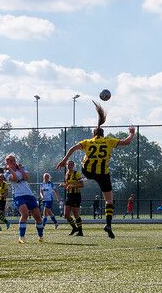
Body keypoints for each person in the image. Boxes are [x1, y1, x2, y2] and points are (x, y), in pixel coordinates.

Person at [57, 102, 135, 239]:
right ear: (103, 134)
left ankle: (84, 227)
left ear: (93, 134)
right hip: (103, 174)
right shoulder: (109, 141)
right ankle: (108, 224)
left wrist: (64, 160)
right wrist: (131, 133)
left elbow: (73, 148)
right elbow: (127, 142)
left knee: (85, 169)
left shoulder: (88, 141)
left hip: (87, 170)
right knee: (109, 201)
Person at [4, 154, 45, 243]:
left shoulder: (22, 168)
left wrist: (21, 169)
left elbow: (26, 178)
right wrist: (11, 170)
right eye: (9, 161)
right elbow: (15, 179)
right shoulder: (6, 173)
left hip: (29, 194)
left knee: (38, 216)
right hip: (18, 195)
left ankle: (40, 236)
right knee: (25, 214)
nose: (12, 162)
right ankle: (21, 237)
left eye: (12, 160)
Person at [61, 160, 85, 236]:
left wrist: (73, 186)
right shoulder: (67, 174)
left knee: (76, 214)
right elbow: (67, 184)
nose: (69, 166)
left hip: (76, 195)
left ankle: (80, 231)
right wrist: (63, 185)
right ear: (66, 165)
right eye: (68, 164)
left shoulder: (77, 173)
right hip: (69, 195)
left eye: (71, 164)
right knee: (66, 214)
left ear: (73, 165)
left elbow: (82, 185)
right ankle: (74, 228)